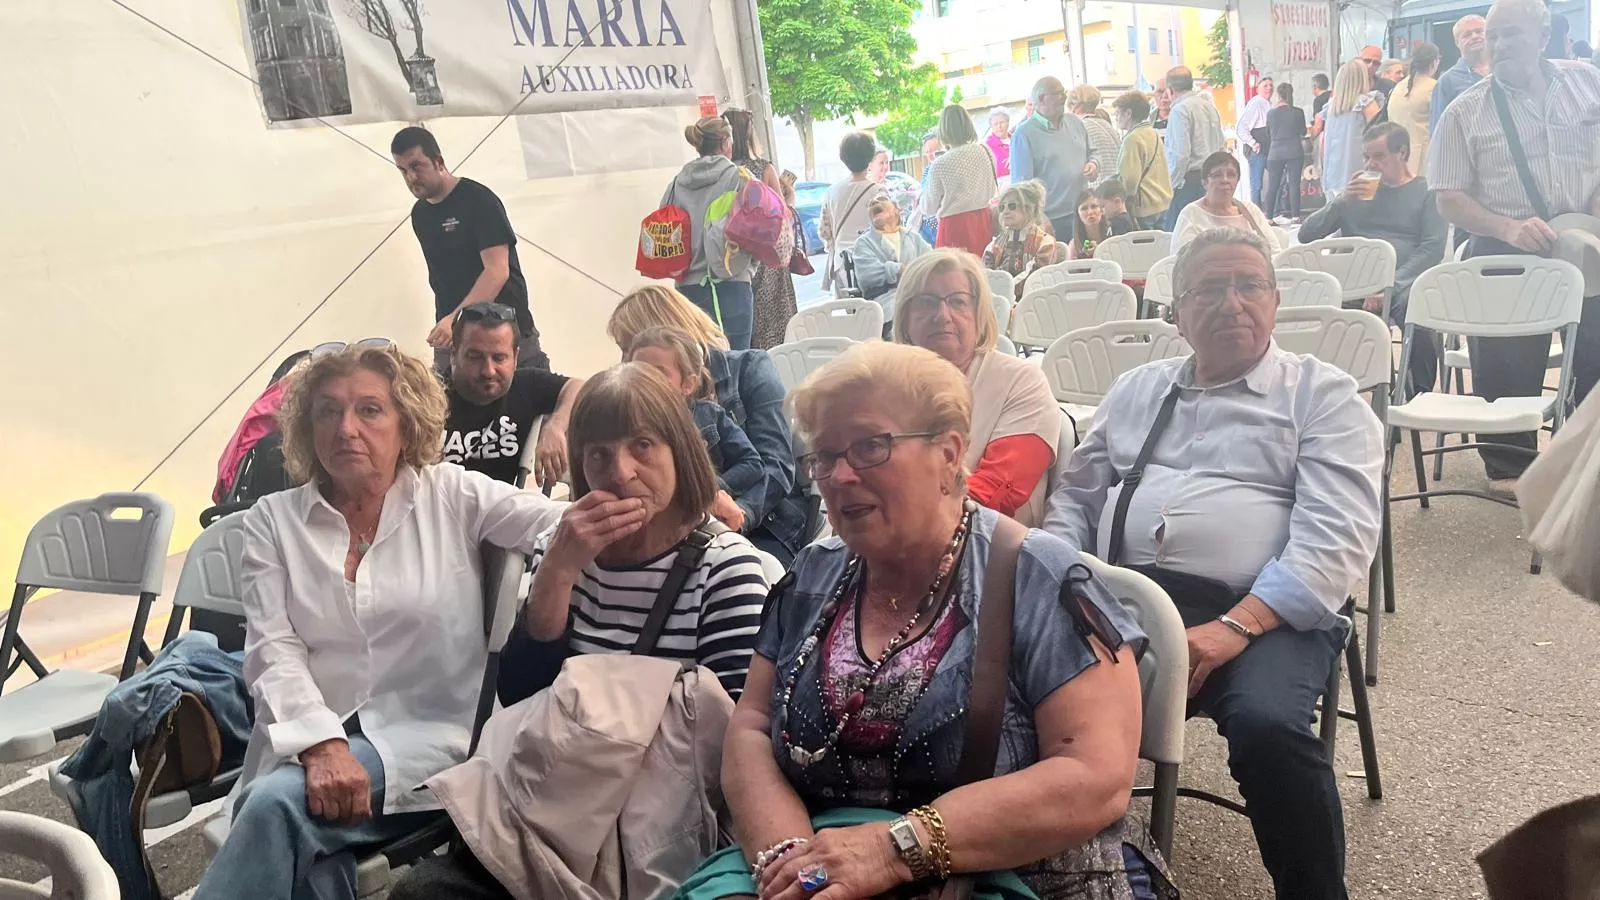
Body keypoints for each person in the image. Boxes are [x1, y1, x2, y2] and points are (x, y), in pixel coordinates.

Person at [701, 339, 1173, 900]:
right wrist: (797, 870)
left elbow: (1096, 778)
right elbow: (751, 724)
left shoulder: (1042, 579)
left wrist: (891, 850)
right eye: (823, 457)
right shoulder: (812, 574)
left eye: (870, 447)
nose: (839, 475)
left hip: (1025, 877)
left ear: (950, 452)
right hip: (823, 858)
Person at [1044, 227, 1385, 900]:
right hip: (1127, 600)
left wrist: (1239, 624)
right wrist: (1064, 586)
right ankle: (1051, 870)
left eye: (1249, 285)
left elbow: (1335, 537)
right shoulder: (1138, 389)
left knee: (1267, 727)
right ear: (1176, 313)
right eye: (1209, 289)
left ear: (1275, 300)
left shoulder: (1323, 394)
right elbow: (1074, 500)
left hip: (1271, 609)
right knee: (1006, 684)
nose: (1232, 303)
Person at [190, 342, 567, 900]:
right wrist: (322, 746)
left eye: (369, 409)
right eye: (327, 411)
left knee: (276, 808)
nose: (345, 428)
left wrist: (688, 509)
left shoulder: (452, 493)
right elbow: (273, 649)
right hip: (309, 740)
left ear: (406, 422)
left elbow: (557, 523)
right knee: (308, 843)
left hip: (428, 737)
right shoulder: (273, 520)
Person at [388, 362, 770, 900]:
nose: (620, 471)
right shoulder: (567, 547)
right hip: (560, 799)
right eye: (598, 454)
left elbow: (733, 740)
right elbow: (522, 692)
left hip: (658, 819)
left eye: (643, 446)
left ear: (679, 453)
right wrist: (559, 572)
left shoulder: (724, 568)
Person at [1429, 0, 1600, 479]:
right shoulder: (1466, 110)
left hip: (1587, 244)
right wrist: (1508, 228)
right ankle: (1512, 472)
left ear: (1543, 37)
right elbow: (1448, 198)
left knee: (1596, 352)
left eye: (1512, 34)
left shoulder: (1587, 83)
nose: (1498, 45)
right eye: (1492, 34)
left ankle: (1585, 467)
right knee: (1506, 368)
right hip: (1506, 249)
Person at [606, 285, 809, 563]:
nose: (627, 362)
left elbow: (777, 465)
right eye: (624, 352)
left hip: (768, 522)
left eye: (630, 346)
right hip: (685, 526)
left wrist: (740, 513)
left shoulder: (750, 366)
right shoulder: (644, 399)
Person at [894, 250, 1060, 525]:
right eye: (926, 302)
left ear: (978, 314)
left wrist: (895, 521)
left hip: (987, 552)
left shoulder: (1020, 382)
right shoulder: (884, 389)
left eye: (958, 302)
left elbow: (996, 493)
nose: (942, 315)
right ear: (905, 317)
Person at [1300, 122, 1448, 395]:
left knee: (1415, 309)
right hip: (1354, 282)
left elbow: (1432, 249)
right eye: (1366, 157)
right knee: (1326, 309)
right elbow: (1306, 235)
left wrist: (1389, 285)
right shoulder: (1355, 194)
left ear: (1402, 153)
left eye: (1378, 157)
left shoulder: (1427, 193)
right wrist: (1341, 201)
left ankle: (1419, 393)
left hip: (1403, 282)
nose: (1371, 164)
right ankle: (1339, 392)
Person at [391, 127, 546, 374]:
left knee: (527, 404)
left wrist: (455, 319)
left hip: (503, 332)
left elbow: (497, 271)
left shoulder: (478, 200)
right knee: (444, 406)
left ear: (439, 162)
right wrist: (449, 323)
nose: (411, 177)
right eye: (403, 171)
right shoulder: (419, 214)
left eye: (417, 166)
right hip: (454, 338)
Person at [626, 327, 767, 532]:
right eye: (638, 372)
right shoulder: (624, 427)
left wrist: (711, 489)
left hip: (704, 522)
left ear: (688, 384)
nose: (646, 382)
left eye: (657, 373)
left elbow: (752, 464)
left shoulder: (711, 416)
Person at [441, 303, 581, 487]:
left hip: (500, 511)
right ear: (453, 354)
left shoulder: (526, 385)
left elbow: (580, 387)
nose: (488, 371)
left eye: (499, 358)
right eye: (475, 356)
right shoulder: (429, 393)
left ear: (515, 358)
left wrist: (556, 426)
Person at [663, 117, 757, 350]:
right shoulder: (741, 178)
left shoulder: (676, 184)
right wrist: (750, 267)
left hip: (688, 293)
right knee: (737, 365)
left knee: (702, 368)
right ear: (725, 143)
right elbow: (761, 229)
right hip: (732, 284)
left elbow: (664, 231)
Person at [724, 108, 798, 353]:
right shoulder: (764, 169)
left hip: (733, 258)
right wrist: (790, 195)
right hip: (767, 260)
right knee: (774, 328)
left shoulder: (725, 173)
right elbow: (781, 216)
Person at [1012, 76, 1093, 240]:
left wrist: (1094, 163)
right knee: (1063, 264)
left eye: (1063, 92)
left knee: (1088, 261)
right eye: (1058, 93)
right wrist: (1040, 218)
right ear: (1041, 99)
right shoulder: (1024, 135)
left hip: (1083, 212)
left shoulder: (1074, 122)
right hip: (1051, 220)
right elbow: (1022, 185)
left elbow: (1093, 152)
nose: (1064, 97)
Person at [922, 104, 1001, 256]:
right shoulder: (985, 151)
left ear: (943, 130)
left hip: (954, 229)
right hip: (983, 222)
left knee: (955, 275)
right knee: (984, 272)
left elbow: (928, 208)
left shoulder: (939, 164)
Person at [1171, 152, 1281, 254]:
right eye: (1217, 175)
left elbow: (1275, 250)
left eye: (1231, 175)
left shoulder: (1250, 210)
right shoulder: (1191, 214)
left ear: (1237, 180)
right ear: (1204, 183)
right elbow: (1182, 261)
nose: (1225, 180)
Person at [853, 194, 933, 334]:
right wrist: (900, 270)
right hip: (887, 302)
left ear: (897, 210)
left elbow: (931, 262)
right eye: (871, 203)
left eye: (882, 199)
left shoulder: (913, 238)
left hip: (920, 295)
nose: (875, 201)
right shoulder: (864, 243)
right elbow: (867, 276)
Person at [820, 132, 883, 299]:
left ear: (843, 158)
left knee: (852, 319)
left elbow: (824, 232)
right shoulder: (878, 192)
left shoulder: (831, 192)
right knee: (876, 317)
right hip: (873, 263)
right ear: (870, 157)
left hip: (842, 266)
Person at [1164, 66, 1226, 229]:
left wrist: (1173, 185)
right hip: (1211, 175)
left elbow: (1180, 155)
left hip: (1189, 181)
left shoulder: (1179, 110)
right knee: (1209, 230)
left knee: (1181, 234)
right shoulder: (1209, 107)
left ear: (1170, 89)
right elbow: (1221, 143)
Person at [983, 179, 1063, 298]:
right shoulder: (995, 243)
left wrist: (1002, 292)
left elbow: (1034, 279)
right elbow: (985, 276)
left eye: (1012, 206)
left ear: (1029, 208)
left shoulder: (1044, 243)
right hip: (998, 300)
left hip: (1031, 300)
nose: (1005, 211)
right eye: (1001, 207)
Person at [1322, 59, 1383, 200]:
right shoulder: (1366, 103)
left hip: (1332, 173)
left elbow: (1325, 140)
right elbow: (1379, 133)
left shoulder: (1332, 106)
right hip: (1358, 170)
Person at [1112, 90, 1174, 229]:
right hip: (1163, 202)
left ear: (1128, 113)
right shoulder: (1152, 133)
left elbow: (1130, 179)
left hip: (1144, 206)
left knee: (1144, 248)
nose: (1116, 118)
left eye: (1117, 113)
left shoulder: (1132, 139)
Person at [1387, 42, 1441, 175]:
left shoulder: (1398, 87)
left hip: (1397, 155)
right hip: (1423, 159)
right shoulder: (1435, 87)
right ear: (1435, 62)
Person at [1430, 14, 1490, 131]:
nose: (1475, 36)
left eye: (1479, 31)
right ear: (1457, 43)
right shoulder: (1447, 82)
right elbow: (1438, 129)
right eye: (1467, 35)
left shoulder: (1504, 71)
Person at [1263, 82, 1308, 222]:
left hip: (1275, 152)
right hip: (1294, 150)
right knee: (1294, 184)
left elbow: (1268, 133)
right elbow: (1303, 131)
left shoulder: (1271, 114)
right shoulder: (1298, 112)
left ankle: (1269, 217)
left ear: (1278, 95)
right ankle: (1295, 216)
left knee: (1273, 185)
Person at [1067, 84, 1120, 186]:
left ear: (1074, 107)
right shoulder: (1107, 125)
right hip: (1115, 188)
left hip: (1097, 191)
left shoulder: (1078, 127)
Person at [1237, 77, 1275, 206]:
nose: (1269, 88)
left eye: (1271, 85)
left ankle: (1273, 210)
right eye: (1265, 85)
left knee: (1278, 180)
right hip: (1258, 150)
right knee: (1257, 184)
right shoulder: (1255, 103)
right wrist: (1253, 143)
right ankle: (1256, 212)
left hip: (1269, 148)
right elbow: (1241, 127)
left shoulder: (1269, 104)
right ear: (1258, 88)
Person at [915, 133, 944, 246]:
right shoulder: (927, 169)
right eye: (928, 152)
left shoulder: (947, 167)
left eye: (934, 150)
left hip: (940, 223)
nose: (931, 155)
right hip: (926, 224)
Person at [1069, 189, 1113, 259]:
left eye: (1094, 206)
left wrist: (1099, 251)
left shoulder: (1114, 233)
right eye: (1084, 208)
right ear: (1078, 214)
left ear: (1102, 209)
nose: (1090, 212)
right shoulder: (1074, 245)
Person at [1358, 45, 1397, 122]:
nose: (1370, 66)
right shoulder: (1347, 87)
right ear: (1358, 61)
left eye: (1376, 63)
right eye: (1367, 61)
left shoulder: (1388, 87)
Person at [986, 108, 1014, 182]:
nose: (999, 126)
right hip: (1000, 186)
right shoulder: (987, 146)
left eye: (1002, 122)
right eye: (995, 124)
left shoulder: (1016, 140)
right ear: (991, 126)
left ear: (1008, 122)